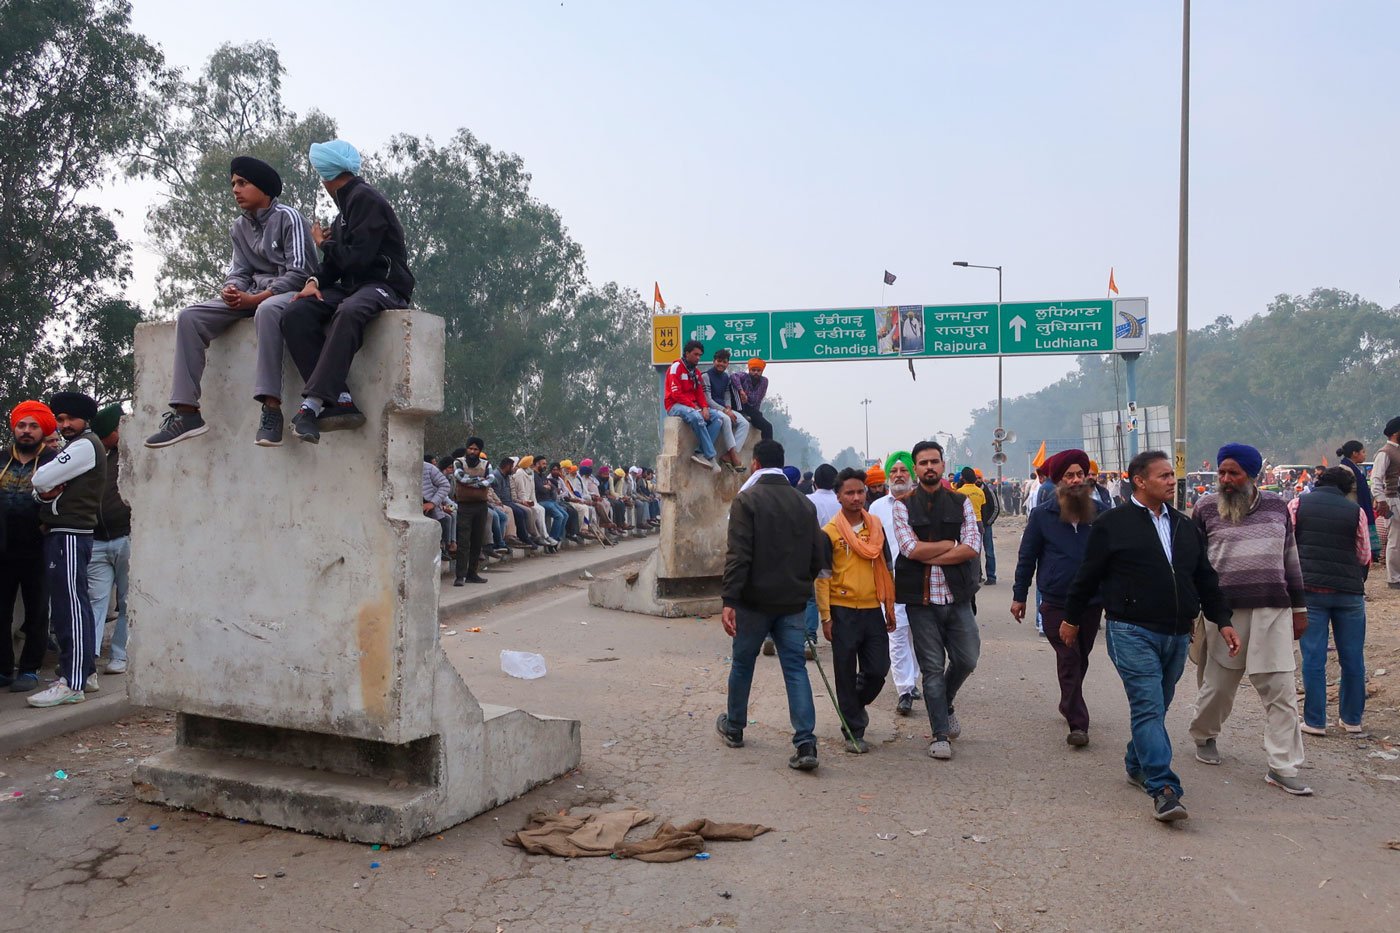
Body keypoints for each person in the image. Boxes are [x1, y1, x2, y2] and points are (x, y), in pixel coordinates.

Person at [1067, 450, 1238, 822]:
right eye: (1162, 476)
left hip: (1177, 633)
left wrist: (1222, 620)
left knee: (1157, 705)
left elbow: (1205, 578)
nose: (1170, 481)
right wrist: (1071, 617)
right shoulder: (1111, 524)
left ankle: (1135, 762)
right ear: (1139, 481)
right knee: (1147, 705)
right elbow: (1088, 575)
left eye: (1171, 475)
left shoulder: (1184, 525)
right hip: (1131, 629)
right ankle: (1164, 788)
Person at [145, 156, 317, 448]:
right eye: (233, 184)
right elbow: (239, 270)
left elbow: (301, 272)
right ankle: (187, 413)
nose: (235, 190)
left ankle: (271, 409)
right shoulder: (239, 226)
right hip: (252, 294)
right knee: (190, 316)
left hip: (291, 294)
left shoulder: (289, 217)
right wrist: (232, 290)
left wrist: (258, 296)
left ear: (263, 188)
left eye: (242, 183)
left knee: (267, 310)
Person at [1187, 443, 1312, 796]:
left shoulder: (1277, 507)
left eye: (1233, 473)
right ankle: (1205, 735)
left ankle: (1282, 766)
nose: (1225, 480)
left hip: (1273, 609)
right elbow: (1194, 565)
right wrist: (1192, 610)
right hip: (1223, 613)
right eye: (1222, 472)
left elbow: (1291, 560)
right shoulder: (1205, 508)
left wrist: (1300, 610)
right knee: (1218, 687)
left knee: (1281, 690)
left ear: (1251, 476)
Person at [282, 139, 416, 444]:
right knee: (296, 312)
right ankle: (341, 400)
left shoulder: (364, 198)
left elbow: (358, 259)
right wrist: (313, 283)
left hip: (385, 286)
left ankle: (312, 405)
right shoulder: (342, 215)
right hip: (353, 287)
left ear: (325, 175)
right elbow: (335, 267)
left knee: (350, 310)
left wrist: (324, 243)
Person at [716, 439, 827, 771]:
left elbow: (739, 556)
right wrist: (799, 584)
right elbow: (817, 557)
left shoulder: (747, 500)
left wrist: (729, 600)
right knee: (795, 669)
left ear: (755, 464)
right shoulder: (803, 503)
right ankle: (805, 741)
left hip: (753, 602)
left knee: (743, 665)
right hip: (792, 604)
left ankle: (735, 727)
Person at [891, 440, 982, 761]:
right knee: (931, 668)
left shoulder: (961, 502)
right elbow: (908, 549)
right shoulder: (902, 505)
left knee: (968, 659)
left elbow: (972, 546)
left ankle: (946, 702)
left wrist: (929, 555)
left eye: (934, 461)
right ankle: (939, 733)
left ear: (943, 465)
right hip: (921, 601)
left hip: (957, 598)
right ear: (916, 469)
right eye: (923, 463)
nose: (929, 467)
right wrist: (948, 544)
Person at [1010, 448, 1106, 746]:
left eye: (1080, 474)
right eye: (1070, 475)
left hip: (1092, 601)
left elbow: (1114, 557)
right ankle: (1078, 724)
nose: (1077, 480)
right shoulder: (1043, 516)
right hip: (1054, 600)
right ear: (1059, 481)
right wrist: (1019, 595)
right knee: (1068, 656)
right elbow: (1027, 557)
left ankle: (1068, 702)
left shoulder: (1101, 514)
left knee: (1082, 657)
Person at [27, 392, 109, 708]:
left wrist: (44, 489)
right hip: (67, 533)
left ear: (85, 419)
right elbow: (42, 493)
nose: (64, 425)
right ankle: (84, 673)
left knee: (69, 606)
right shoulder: (81, 446)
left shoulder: (85, 445)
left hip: (70, 535)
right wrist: (46, 494)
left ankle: (72, 682)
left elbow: (41, 478)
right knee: (76, 604)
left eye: (69, 419)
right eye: (59, 420)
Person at [816, 468, 896, 753]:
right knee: (845, 672)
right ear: (838, 496)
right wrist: (825, 617)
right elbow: (823, 577)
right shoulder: (829, 533)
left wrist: (890, 605)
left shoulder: (875, 527)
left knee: (878, 670)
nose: (856, 497)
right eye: (849, 492)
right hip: (843, 611)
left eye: (860, 491)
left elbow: (887, 568)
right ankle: (853, 729)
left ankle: (853, 705)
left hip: (873, 608)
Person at [1291, 466, 1369, 737]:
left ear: (1319, 481)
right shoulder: (1355, 511)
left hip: (1310, 591)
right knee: (1352, 657)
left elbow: (1287, 545)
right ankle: (1352, 720)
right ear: (1347, 487)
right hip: (1349, 591)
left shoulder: (1298, 504)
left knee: (1313, 657)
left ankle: (1314, 721)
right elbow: (1363, 555)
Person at [1, 402, 57, 692]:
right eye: (22, 425)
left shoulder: (55, 461)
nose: (26, 431)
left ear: (43, 430)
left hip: (40, 549)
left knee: (36, 613)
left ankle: (29, 669)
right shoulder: (1, 459)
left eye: (33, 426)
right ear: (14, 427)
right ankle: (3, 668)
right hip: (3, 548)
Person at [89, 404, 131, 674]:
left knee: (128, 602)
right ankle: (85, 658)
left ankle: (120, 655)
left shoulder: (132, 454)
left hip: (127, 536)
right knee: (94, 600)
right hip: (96, 540)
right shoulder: (97, 457)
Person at [663, 340, 725, 471]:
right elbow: (676, 394)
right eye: (695, 354)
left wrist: (705, 407)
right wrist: (695, 407)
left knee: (718, 418)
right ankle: (711, 457)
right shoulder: (676, 367)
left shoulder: (696, 373)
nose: (698, 358)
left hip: (693, 407)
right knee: (696, 417)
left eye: (700, 355)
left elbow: (700, 393)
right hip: (675, 405)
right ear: (687, 353)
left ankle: (700, 452)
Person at [451, 438, 492, 585]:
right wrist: (480, 481)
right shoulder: (458, 462)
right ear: (466, 448)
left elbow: (490, 480)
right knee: (463, 541)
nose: (472, 451)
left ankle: (472, 573)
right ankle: (460, 576)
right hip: (465, 505)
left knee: (477, 541)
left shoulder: (486, 464)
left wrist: (473, 482)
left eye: (475, 449)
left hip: (481, 506)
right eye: (470, 448)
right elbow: (460, 478)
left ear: (479, 451)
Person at [703, 349, 750, 473]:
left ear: (727, 364)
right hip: (712, 409)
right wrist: (724, 410)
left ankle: (728, 456)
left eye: (724, 362)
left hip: (725, 408)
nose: (721, 364)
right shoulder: (706, 376)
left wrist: (728, 407)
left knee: (744, 423)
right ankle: (734, 456)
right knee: (726, 419)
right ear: (714, 361)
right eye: (719, 361)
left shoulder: (726, 377)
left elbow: (727, 394)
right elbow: (707, 399)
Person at [1367, 417, 1400, 585]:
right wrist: (1381, 500)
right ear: (1396, 433)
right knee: (1395, 540)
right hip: (1393, 500)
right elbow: (1376, 479)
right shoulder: (1385, 452)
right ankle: (1394, 578)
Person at [1336, 440, 1378, 563]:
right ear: (1354, 453)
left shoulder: (1354, 468)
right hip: (1349, 511)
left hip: (1355, 509)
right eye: (1363, 452)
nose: (1365, 454)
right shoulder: (1344, 470)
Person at [954, 467, 988, 582]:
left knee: (963, 550)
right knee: (976, 552)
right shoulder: (980, 491)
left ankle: (965, 576)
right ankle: (976, 577)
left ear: (962, 478)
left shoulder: (959, 492)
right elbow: (983, 507)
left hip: (964, 523)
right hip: (978, 522)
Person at [731, 357, 773, 441]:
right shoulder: (744, 376)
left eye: (758, 370)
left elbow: (760, 398)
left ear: (762, 371)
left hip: (752, 409)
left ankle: (767, 451)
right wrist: (741, 391)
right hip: (739, 405)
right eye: (753, 370)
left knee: (768, 426)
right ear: (749, 370)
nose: (756, 373)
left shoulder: (764, 381)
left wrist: (757, 413)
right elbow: (733, 376)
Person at [423, 453, 455, 561]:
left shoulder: (451, 480)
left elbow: (449, 501)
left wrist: (452, 508)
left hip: (437, 507)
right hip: (437, 508)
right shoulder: (434, 476)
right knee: (449, 517)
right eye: (450, 467)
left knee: (453, 514)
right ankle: (448, 545)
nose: (452, 470)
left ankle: (448, 545)